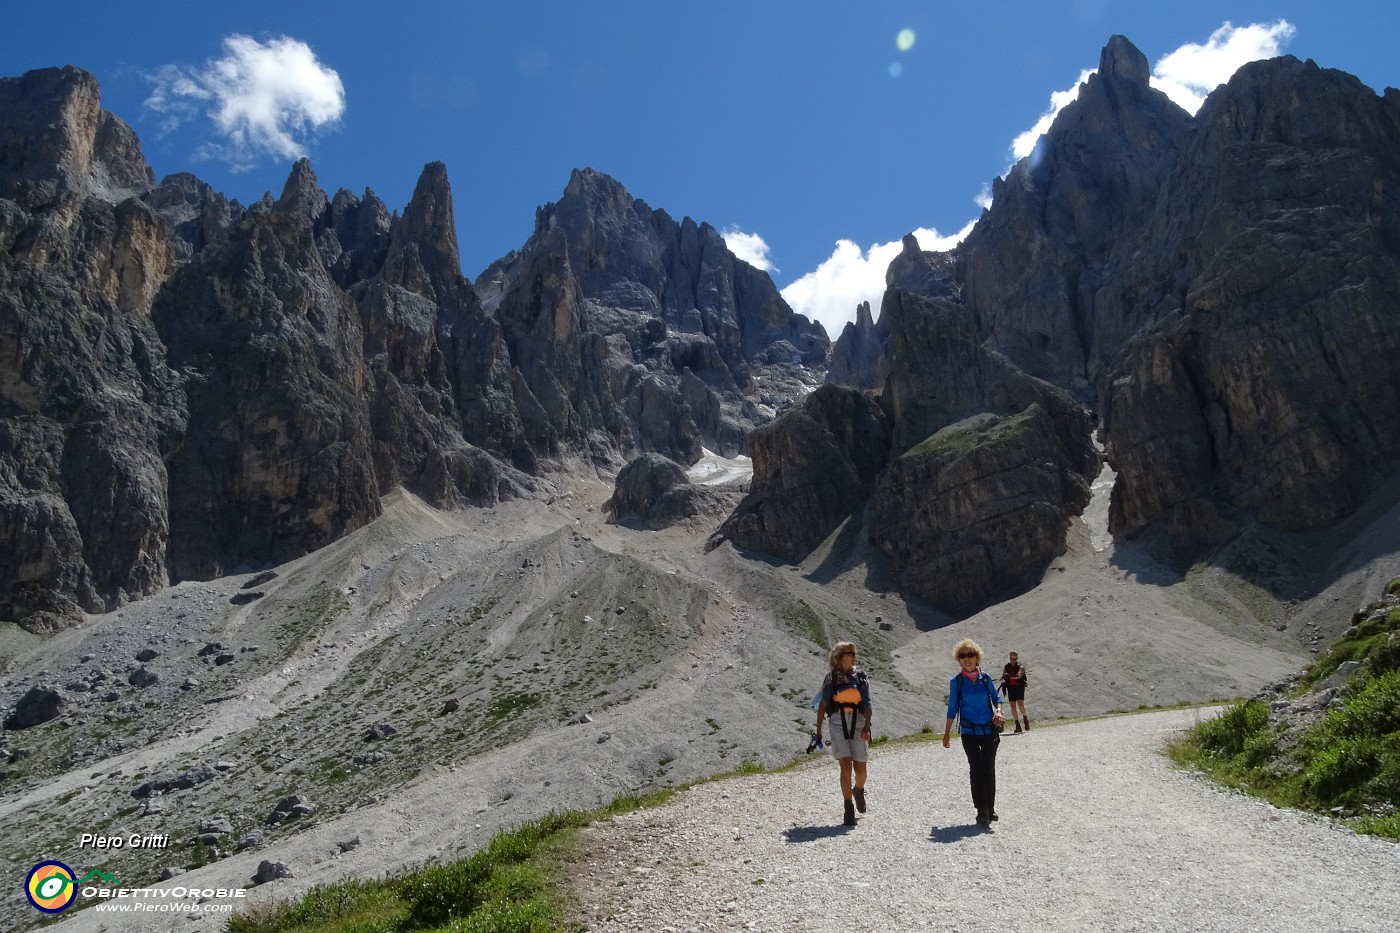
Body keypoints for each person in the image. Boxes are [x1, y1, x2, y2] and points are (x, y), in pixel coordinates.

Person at [941, 638, 1004, 827]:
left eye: (970, 655)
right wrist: (946, 733)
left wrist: (999, 711)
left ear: (978, 658)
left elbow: (996, 697)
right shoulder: (956, 682)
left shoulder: (985, 679)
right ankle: (981, 810)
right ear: (958, 660)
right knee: (976, 769)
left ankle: (989, 808)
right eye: (962, 655)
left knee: (989, 769)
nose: (967, 659)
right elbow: (952, 708)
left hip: (988, 731)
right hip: (968, 731)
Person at [814, 641, 872, 827]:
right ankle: (848, 807)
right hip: (838, 722)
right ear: (841, 656)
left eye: (855, 653)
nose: (855, 657)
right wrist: (818, 732)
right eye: (851, 653)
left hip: (858, 723)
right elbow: (823, 705)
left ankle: (858, 789)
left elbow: (868, 704)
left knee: (861, 770)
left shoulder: (861, 677)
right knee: (845, 765)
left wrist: (867, 726)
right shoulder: (831, 678)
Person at [1000, 650, 1030, 733]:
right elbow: (1003, 676)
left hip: (1019, 687)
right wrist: (1004, 678)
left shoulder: (1021, 667)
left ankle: (1025, 719)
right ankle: (1017, 725)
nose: (1013, 661)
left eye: (1014, 659)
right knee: (1013, 707)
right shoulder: (1007, 667)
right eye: (1011, 659)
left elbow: (1019, 676)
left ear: (1017, 658)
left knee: (1020, 705)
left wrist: (1009, 677)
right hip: (1011, 688)